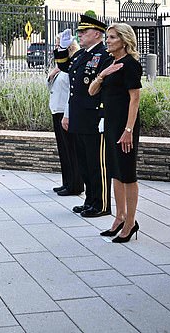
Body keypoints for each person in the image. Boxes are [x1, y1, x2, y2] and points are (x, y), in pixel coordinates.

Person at [89, 23, 142, 243]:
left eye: (111, 37)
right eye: (107, 37)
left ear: (123, 40)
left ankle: (130, 222)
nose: (107, 41)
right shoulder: (110, 63)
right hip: (110, 124)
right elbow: (91, 91)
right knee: (115, 172)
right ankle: (119, 217)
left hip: (124, 126)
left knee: (127, 173)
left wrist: (128, 130)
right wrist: (102, 74)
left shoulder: (130, 65)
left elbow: (135, 98)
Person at [54, 15, 112, 218]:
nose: (80, 35)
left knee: (97, 164)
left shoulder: (104, 55)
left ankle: (102, 204)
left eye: (83, 32)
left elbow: (106, 89)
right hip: (79, 117)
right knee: (85, 164)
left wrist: (104, 115)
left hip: (94, 118)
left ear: (97, 34)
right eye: (79, 32)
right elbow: (65, 67)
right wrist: (62, 48)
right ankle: (90, 200)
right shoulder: (81, 56)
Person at [48, 34, 84, 196]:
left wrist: (68, 115)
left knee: (71, 150)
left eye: (58, 44)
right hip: (57, 110)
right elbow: (52, 87)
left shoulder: (72, 65)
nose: (56, 47)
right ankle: (66, 182)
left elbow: (73, 92)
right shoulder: (60, 66)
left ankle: (75, 184)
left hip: (66, 112)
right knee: (63, 150)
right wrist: (53, 73)